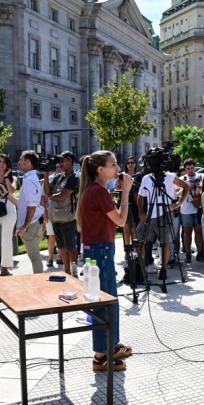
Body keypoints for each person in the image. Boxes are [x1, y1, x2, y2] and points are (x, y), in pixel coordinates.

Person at [76, 150, 133, 372]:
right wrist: (126, 193)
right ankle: (103, 354)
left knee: (104, 301)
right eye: (113, 164)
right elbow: (120, 220)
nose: (117, 168)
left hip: (96, 251)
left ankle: (108, 348)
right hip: (101, 252)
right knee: (107, 301)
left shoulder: (95, 190)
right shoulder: (98, 191)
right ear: (100, 169)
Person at [137, 159, 189, 280]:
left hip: (165, 213)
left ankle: (164, 269)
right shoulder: (146, 178)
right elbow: (140, 196)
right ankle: (143, 266)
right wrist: (141, 212)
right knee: (142, 240)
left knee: (164, 243)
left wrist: (178, 203)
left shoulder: (170, 176)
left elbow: (186, 187)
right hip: (150, 215)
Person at [44, 152, 80, 276]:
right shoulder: (58, 177)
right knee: (61, 247)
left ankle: (74, 271)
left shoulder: (74, 178)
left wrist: (50, 196)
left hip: (68, 218)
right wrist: (45, 173)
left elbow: (63, 195)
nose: (60, 163)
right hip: (56, 218)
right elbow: (47, 191)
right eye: (60, 161)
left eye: (63, 160)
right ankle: (66, 271)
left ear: (70, 160)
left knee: (71, 247)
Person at [16, 151, 45, 273]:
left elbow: (32, 206)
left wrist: (25, 226)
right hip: (33, 222)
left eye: (21, 160)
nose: (19, 162)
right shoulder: (32, 178)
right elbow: (39, 201)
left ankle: (40, 285)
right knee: (34, 257)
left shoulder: (29, 180)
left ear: (28, 162)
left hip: (30, 224)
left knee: (34, 257)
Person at [179, 159, 204, 264]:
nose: (190, 170)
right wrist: (186, 188)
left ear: (195, 167)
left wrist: (197, 187)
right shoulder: (181, 179)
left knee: (199, 232)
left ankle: (200, 253)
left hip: (198, 209)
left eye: (192, 168)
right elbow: (177, 193)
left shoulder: (201, 176)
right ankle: (188, 254)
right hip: (185, 209)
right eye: (187, 168)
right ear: (184, 169)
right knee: (187, 232)